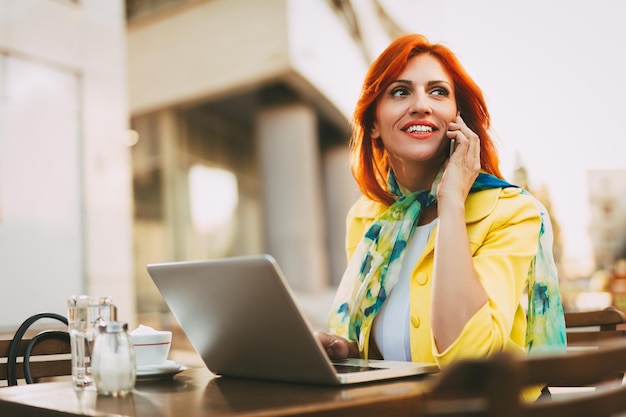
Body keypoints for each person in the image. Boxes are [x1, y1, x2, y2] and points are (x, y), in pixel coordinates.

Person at [315, 33, 566, 398]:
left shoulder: (513, 212)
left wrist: (452, 201)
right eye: (400, 92)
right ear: (373, 124)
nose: (421, 105)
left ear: (457, 118)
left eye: (438, 92)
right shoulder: (367, 219)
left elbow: (470, 363)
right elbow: (391, 352)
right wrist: (350, 352)